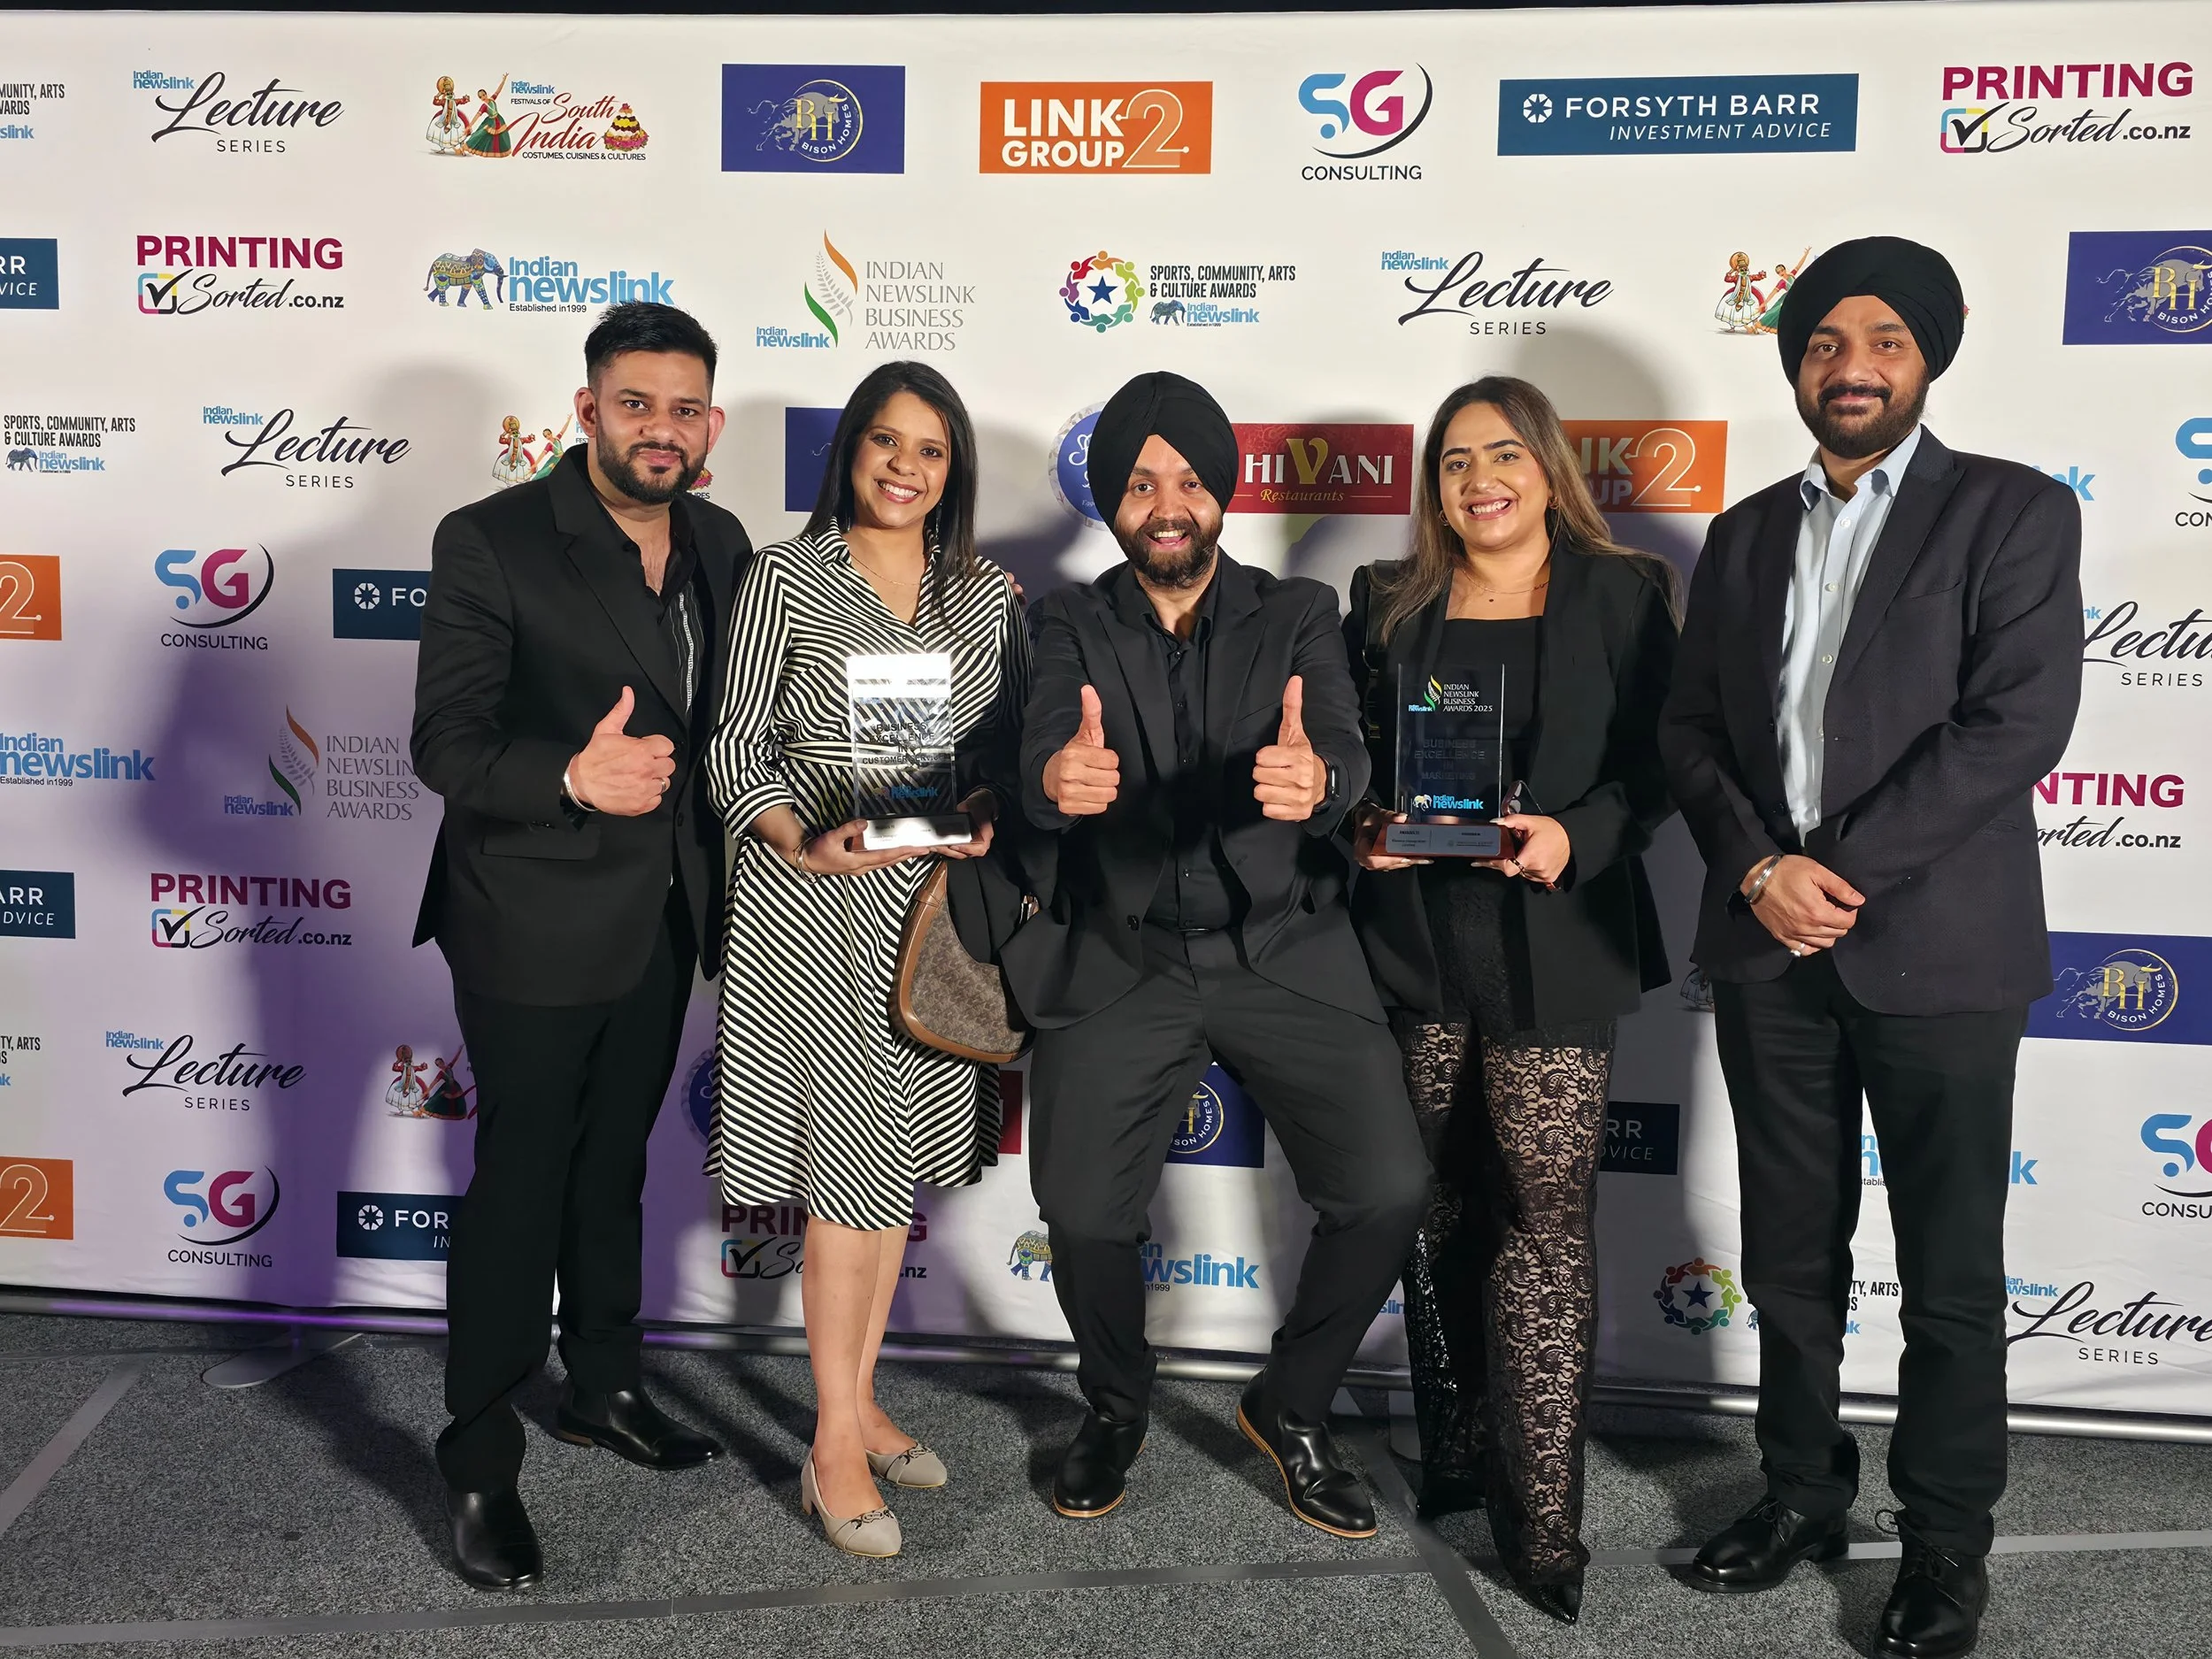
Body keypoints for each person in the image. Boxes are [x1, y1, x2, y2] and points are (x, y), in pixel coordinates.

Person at [1657, 237, 2082, 1659]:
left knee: (1952, 1267)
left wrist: (1824, 868)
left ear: (1929, 358)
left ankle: (1946, 1544)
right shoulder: (1744, 533)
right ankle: (1798, 1494)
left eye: (1885, 340)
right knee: (1790, 1258)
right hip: (1772, 948)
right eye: (1826, 340)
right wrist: (1762, 869)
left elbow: (2013, 725)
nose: (1852, 365)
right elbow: (1691, 733)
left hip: (1941, 954)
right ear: (1795, 364)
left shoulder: (2012, 515)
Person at [1008, 371, 1430, 1539]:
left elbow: (1340, 749)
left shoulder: (1296, 612)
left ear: (1221, 492)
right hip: (1120, 954)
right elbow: (1048, 745)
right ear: (1112, 505)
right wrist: (1058, 780)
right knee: (1083, 1208)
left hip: (1283, 945)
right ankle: (1115, 1404)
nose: (1167, 502)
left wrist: (1322, 784)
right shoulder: (1066, 621)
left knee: (1390, 1187)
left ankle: (1291, 1405)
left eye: (1188, 478)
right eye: (1140, 484)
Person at [411, 302, 749, 1592]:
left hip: (666, 913)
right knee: (524, 1182)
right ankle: (481, 1461)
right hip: (531, 917)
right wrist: (574, 776)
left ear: (708, 425)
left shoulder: (719, 539)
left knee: (614, 1164)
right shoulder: (492, 538)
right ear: (588, 410)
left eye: (683, 409)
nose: (659, 429)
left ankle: (603, 1384)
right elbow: (444, 743)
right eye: (635, 403)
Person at [1342, 376, 1678, 1624]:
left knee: (1544, 1214)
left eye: (1503, 454)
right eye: (1452, 462)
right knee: (1430, 1203)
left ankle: (1546, 1523)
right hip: (1416, 939)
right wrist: (1364, 827)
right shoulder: (1387, 600)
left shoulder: (1624, 592)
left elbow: (1662, 765)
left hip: (1555, 938)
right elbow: (1342, 756)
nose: (1478, 479)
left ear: (1547, 467)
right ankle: (1455, 1450)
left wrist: (1577, 833)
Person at [705, 361, 1027, 1560]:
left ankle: (860, 1395)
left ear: (955, 470)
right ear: (850, 451)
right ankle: (834, 1442)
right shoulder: (783, 578)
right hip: (815, 910)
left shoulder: (985, 594)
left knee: (885, 1184)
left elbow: (998, 757)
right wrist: (805, 834)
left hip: (931, 921)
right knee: (848, 1179)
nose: (904, 465)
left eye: (931, 449)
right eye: (884, 441)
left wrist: (992, 814)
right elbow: (734, 753)